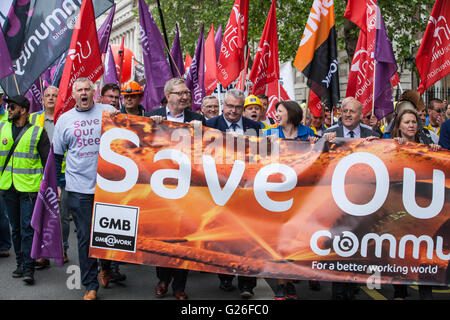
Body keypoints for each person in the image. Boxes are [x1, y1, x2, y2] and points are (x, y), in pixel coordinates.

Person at [52, 78, 117, 300]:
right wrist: (59, 185)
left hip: (109, 185)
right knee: (85, 236)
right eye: (79, 90)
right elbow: (57, 156)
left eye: (87, 89)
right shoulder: (64, 120)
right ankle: (90, 285)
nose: (83, 93)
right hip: (78, 188)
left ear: (93, 92)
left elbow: (132, 133)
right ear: (73, 95)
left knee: (108, 233)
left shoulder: (109, 111)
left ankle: (106, 266)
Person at [146, 78, 205, 300]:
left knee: (184, 237)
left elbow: (205, 153)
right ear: (168, 95)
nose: (184, 97)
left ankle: (179, 285)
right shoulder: (154, 116)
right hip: (161, 189)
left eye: (187, 93)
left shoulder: (197, 119)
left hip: (188, 188)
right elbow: (144, 150)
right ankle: (163, 278)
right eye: (180, 93)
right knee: (162, 237)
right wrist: (150, 126)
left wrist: (200, 132)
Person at [205, 88, 260, 299]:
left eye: (238, 107)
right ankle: (225, 277)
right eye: (230, 106)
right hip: (218, 190)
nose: (233, 111)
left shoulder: (255, 127)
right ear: (223, 105)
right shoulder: (209, 126)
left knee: (248, 238)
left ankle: (247, 284)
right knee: (224, 237)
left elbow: (263, 157)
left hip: (247, 191)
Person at [323, 97, 379, 300]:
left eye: (352, 111)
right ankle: (338, 292)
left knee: (356, 246)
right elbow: (316, 162)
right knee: (337, 248)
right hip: (336, 203)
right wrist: (321, 142)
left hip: (363, 202)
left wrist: (380, 145)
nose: (346, 114)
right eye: (344, 111)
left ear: (361, 114)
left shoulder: (372, 135)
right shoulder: (329, 135)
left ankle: (353, 286)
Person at [263, 100, 319, 300]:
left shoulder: (309, 133)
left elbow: (322, 159)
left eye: (279, 111)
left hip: (302, 194)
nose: (276, 114)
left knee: (297, 241)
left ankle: (292, 280)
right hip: (277, 193)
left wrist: (319, 144)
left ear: (291, 112)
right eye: (276, 111)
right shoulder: (268, 134)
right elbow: (259, 160)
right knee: (280, 240)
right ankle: (282, 285)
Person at [390, 108, 440, 300]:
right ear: (399, 127)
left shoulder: (427, 145)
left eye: (413, 122)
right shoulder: (391, 145)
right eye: (407, 122)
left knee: (422, 253)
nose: (411, 125)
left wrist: (436, 152)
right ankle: (399, 292)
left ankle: (425, 293)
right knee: (399, 251)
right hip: (398, 208)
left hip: (422, 208)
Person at [0, 95, 50, 285]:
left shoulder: (38, 132)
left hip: (29, 188)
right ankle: (20, 263)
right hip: (7, 187)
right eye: (7, 106)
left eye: (11, 106)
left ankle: (29, 268)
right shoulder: (3, 128)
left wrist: (50, 189)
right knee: (16, 229)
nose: (8, 109)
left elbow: (48, 164)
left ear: (23, 110)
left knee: (27, 229)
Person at [29, 86, 69, 266]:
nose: (51, 98)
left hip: (63, 174)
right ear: (42, 99)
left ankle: (63, 248)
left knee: (62, 215)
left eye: (54, 95)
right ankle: (42, 251)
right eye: (48, 96)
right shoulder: (32, 118)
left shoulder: (66, 119)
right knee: (42, 213)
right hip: (40, 174)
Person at [97, 83, 127, 288]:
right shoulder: (95, 117)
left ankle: (113, 267)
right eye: (111, 97)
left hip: (119, 181)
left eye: (117, 97)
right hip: (95, 182)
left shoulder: (124, 119)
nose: (115, 100)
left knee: (116, 227)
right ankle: (103, 268)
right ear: (101, 98)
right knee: (96, 228)